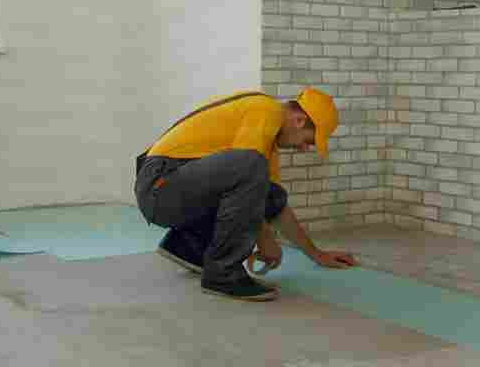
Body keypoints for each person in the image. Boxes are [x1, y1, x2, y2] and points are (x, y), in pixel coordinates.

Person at [134, 88, 358, 301]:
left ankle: (189, 246)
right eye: (309, 141)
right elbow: (248, 178)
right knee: (251, 166)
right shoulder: (266, 110)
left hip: (174, 188)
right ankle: (223, 274)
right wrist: (265, 239)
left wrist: (317, 254)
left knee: (272, 193)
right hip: (159, 186)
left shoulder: (266, 143)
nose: (304, 149)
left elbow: (273, 205)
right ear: (299, 121)